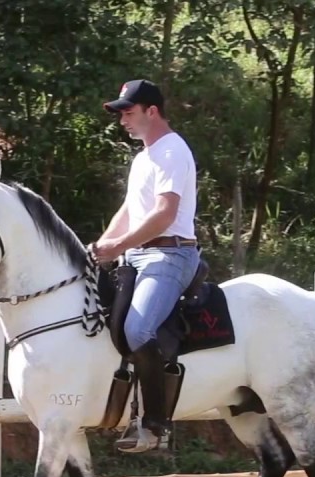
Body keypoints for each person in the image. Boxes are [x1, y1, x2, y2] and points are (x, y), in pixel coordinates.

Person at [90, 78, 202, 453]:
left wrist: (118, 245)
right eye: (120, 113)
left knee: (138, 331)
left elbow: (163, 212)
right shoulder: (143, 158)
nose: (122, 120)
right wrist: (100, 247)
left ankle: (156, 426)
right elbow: (129, 211)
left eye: (128, 112)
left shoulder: (172, 151)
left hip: (171, 254)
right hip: (136, 255)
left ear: (151, 111)